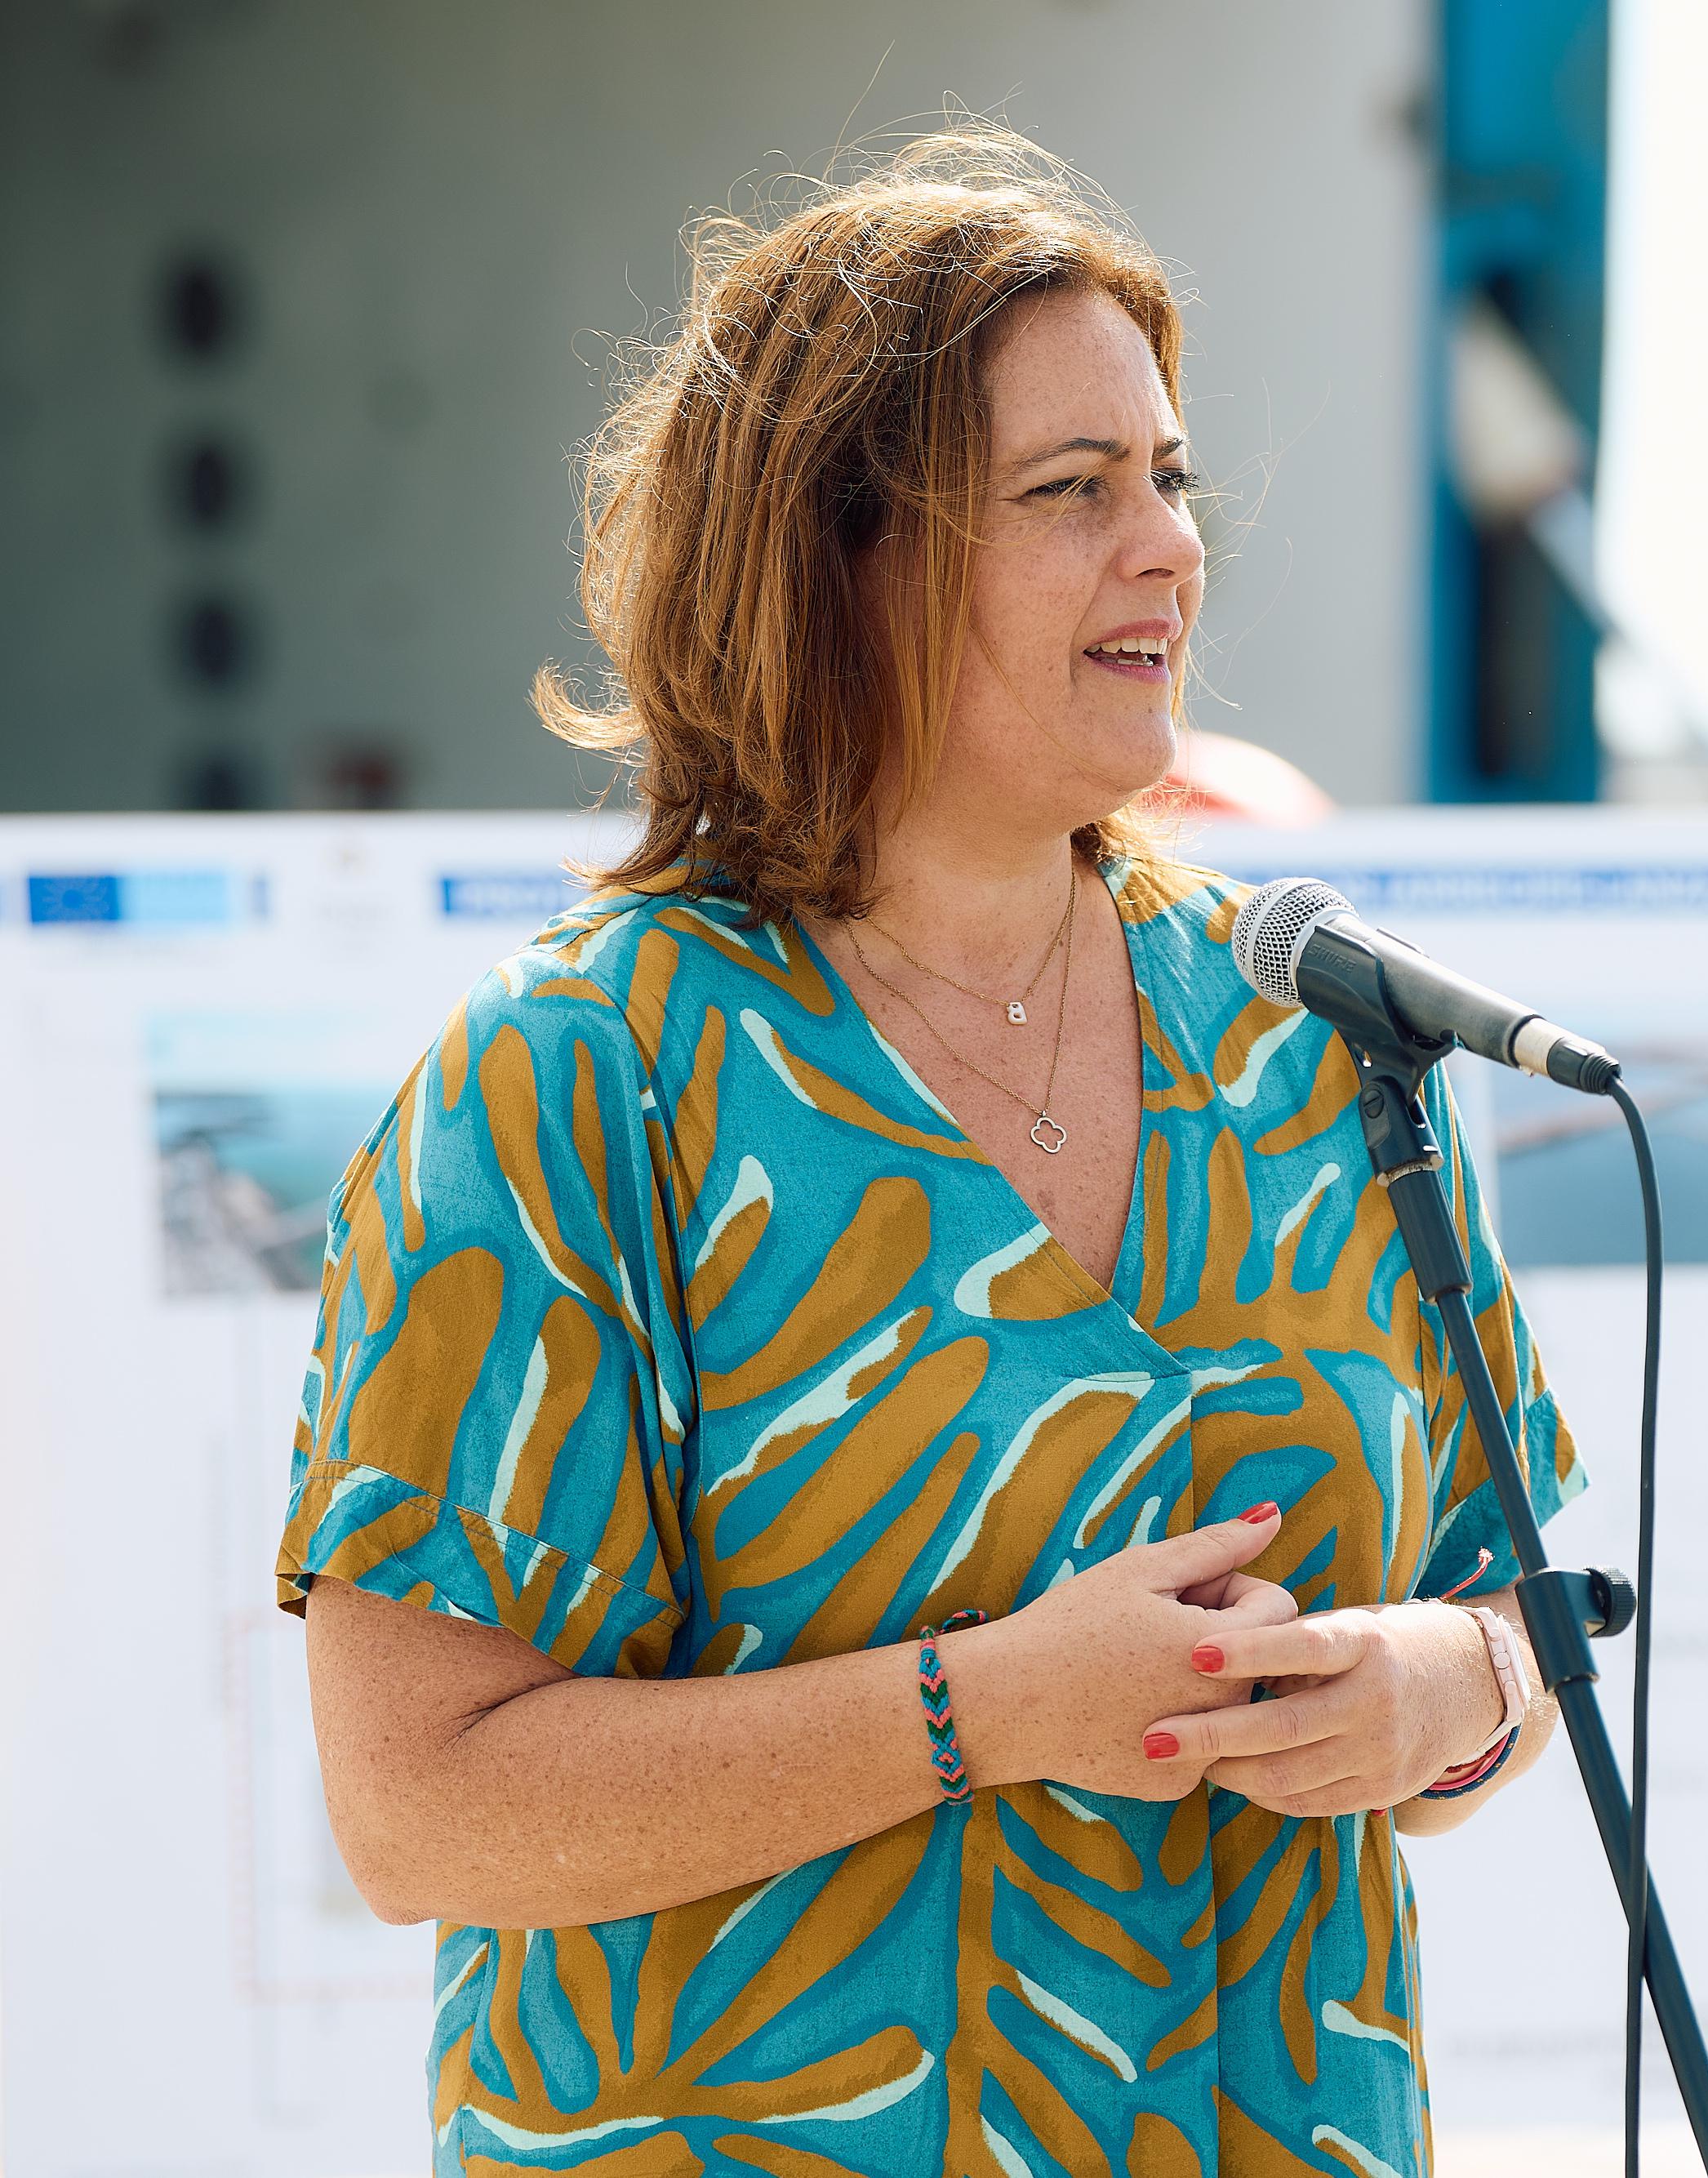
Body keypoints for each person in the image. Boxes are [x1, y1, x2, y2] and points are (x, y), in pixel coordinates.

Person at [278, 126, 1581, 2177]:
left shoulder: (1309, 1032)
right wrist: (983, 1706)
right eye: (1071, 493)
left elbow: (1518, 1604)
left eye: (1166, 478)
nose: (1164, 547)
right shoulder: (575, 1082)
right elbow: (421, 1806)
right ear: (838, 561)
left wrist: (1444, 1689)